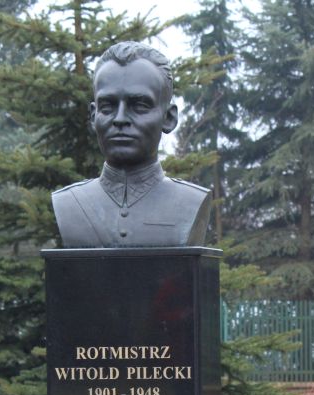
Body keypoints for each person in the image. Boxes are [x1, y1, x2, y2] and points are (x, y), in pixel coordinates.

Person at [51, 41, 211, 247]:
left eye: (139, 106)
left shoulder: (191, 202)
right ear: (93, 116)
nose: (120, 119)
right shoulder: (68, 203)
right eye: (108, 106)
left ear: (169, 118)